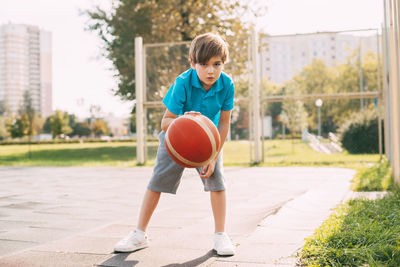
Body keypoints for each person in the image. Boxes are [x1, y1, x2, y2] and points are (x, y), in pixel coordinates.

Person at [114, 33, 235, 256]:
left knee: (217, 182)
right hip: (176, 138)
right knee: (157, 182)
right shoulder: (182, 82)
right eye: (204, 64)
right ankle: (139, 234)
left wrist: (214, 155)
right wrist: (183, 121)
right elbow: (165, 122)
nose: (211, 70)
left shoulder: (227, 85)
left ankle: (220, 235)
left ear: (223, 64)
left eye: (217, 64)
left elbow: (224, 122)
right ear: (192, 63)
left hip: (208, 142)